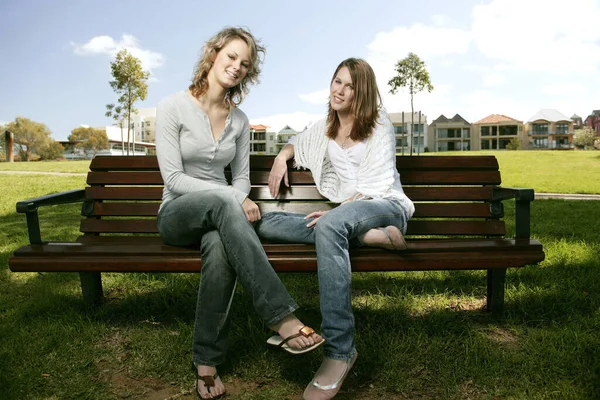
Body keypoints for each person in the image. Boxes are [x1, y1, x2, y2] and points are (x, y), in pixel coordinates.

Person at [155, 27, 324, 400]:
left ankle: (206, 362)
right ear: (213, 53)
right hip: (177, 214)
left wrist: (234, 197)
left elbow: (244, 177)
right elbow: (175, 178)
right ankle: (282, 318)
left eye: (245, 63)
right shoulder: (172, 107)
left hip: (219, 218)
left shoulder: (239, 119)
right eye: (231, 56)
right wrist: (231, 198)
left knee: (218, 246)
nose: (237, 66)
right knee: (223, 205)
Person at [255, 58, 415, 399]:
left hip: (385, 207)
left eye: (349, 86)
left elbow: (376, 182)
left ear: (362, 93)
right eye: (336, 82)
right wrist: (281, 158)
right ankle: (370, 240)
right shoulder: (326, 128)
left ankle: (340, 351)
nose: (339, 91)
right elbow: (297, 142)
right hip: (347, 217)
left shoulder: (378, 124)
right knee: (265, 224)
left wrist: (337, 214)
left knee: (330, 226)